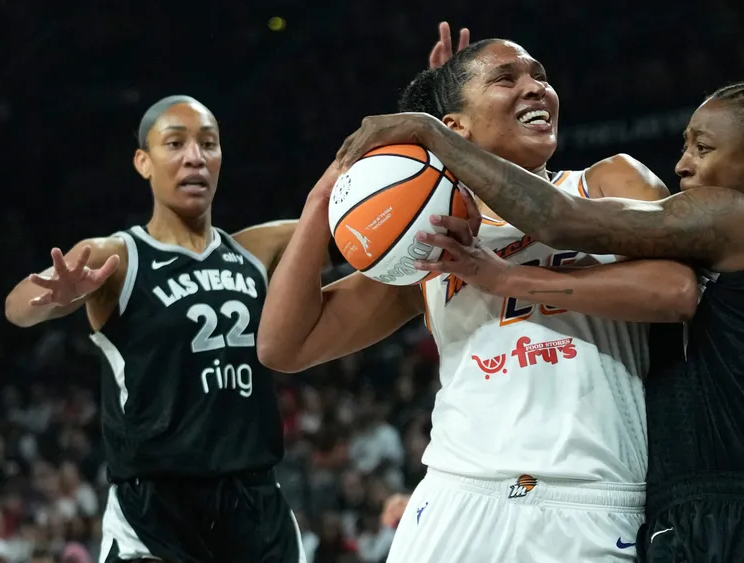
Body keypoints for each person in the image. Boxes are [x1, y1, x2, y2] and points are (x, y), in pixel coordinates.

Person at [336, 50, 744, 562]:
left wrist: (437, 137)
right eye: (686, 146)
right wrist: (460, 123)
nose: (682, 165)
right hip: (712, 503)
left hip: (719, 509)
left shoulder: (737, 217)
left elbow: (561, 218)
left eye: (703, 149)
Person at [259, 39, 698, 562]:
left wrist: (506, 278)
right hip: (457, 497)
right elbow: (284, 346)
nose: (535, 87)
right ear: (454, 127)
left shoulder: (605, 182)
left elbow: (675, 291)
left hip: (590, 498)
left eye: (540, 75)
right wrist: (323, 199)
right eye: (506, 78)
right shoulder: (430, 238)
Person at [4, 96, 308, 563]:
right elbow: (17, 308)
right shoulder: (119, 257)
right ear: (143, 162)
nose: (195, 157)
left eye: (209, 143)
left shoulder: (256, 250)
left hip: (254, 506)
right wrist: (52, 299)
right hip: (155, 513)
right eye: (175, 143)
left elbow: (358, 224)